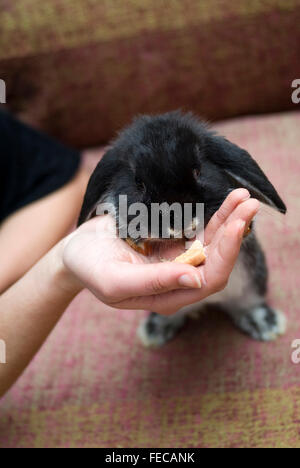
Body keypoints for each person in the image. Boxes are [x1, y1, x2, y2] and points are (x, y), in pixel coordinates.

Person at [0, 110, 260, 398]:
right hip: (155, 256)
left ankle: (250, 306)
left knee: (241, 254)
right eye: (139, 187)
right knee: (164, 279)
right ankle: (169, 318)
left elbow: (57, 174)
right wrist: (71, 257)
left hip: (218, 247)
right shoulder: (123, 178)